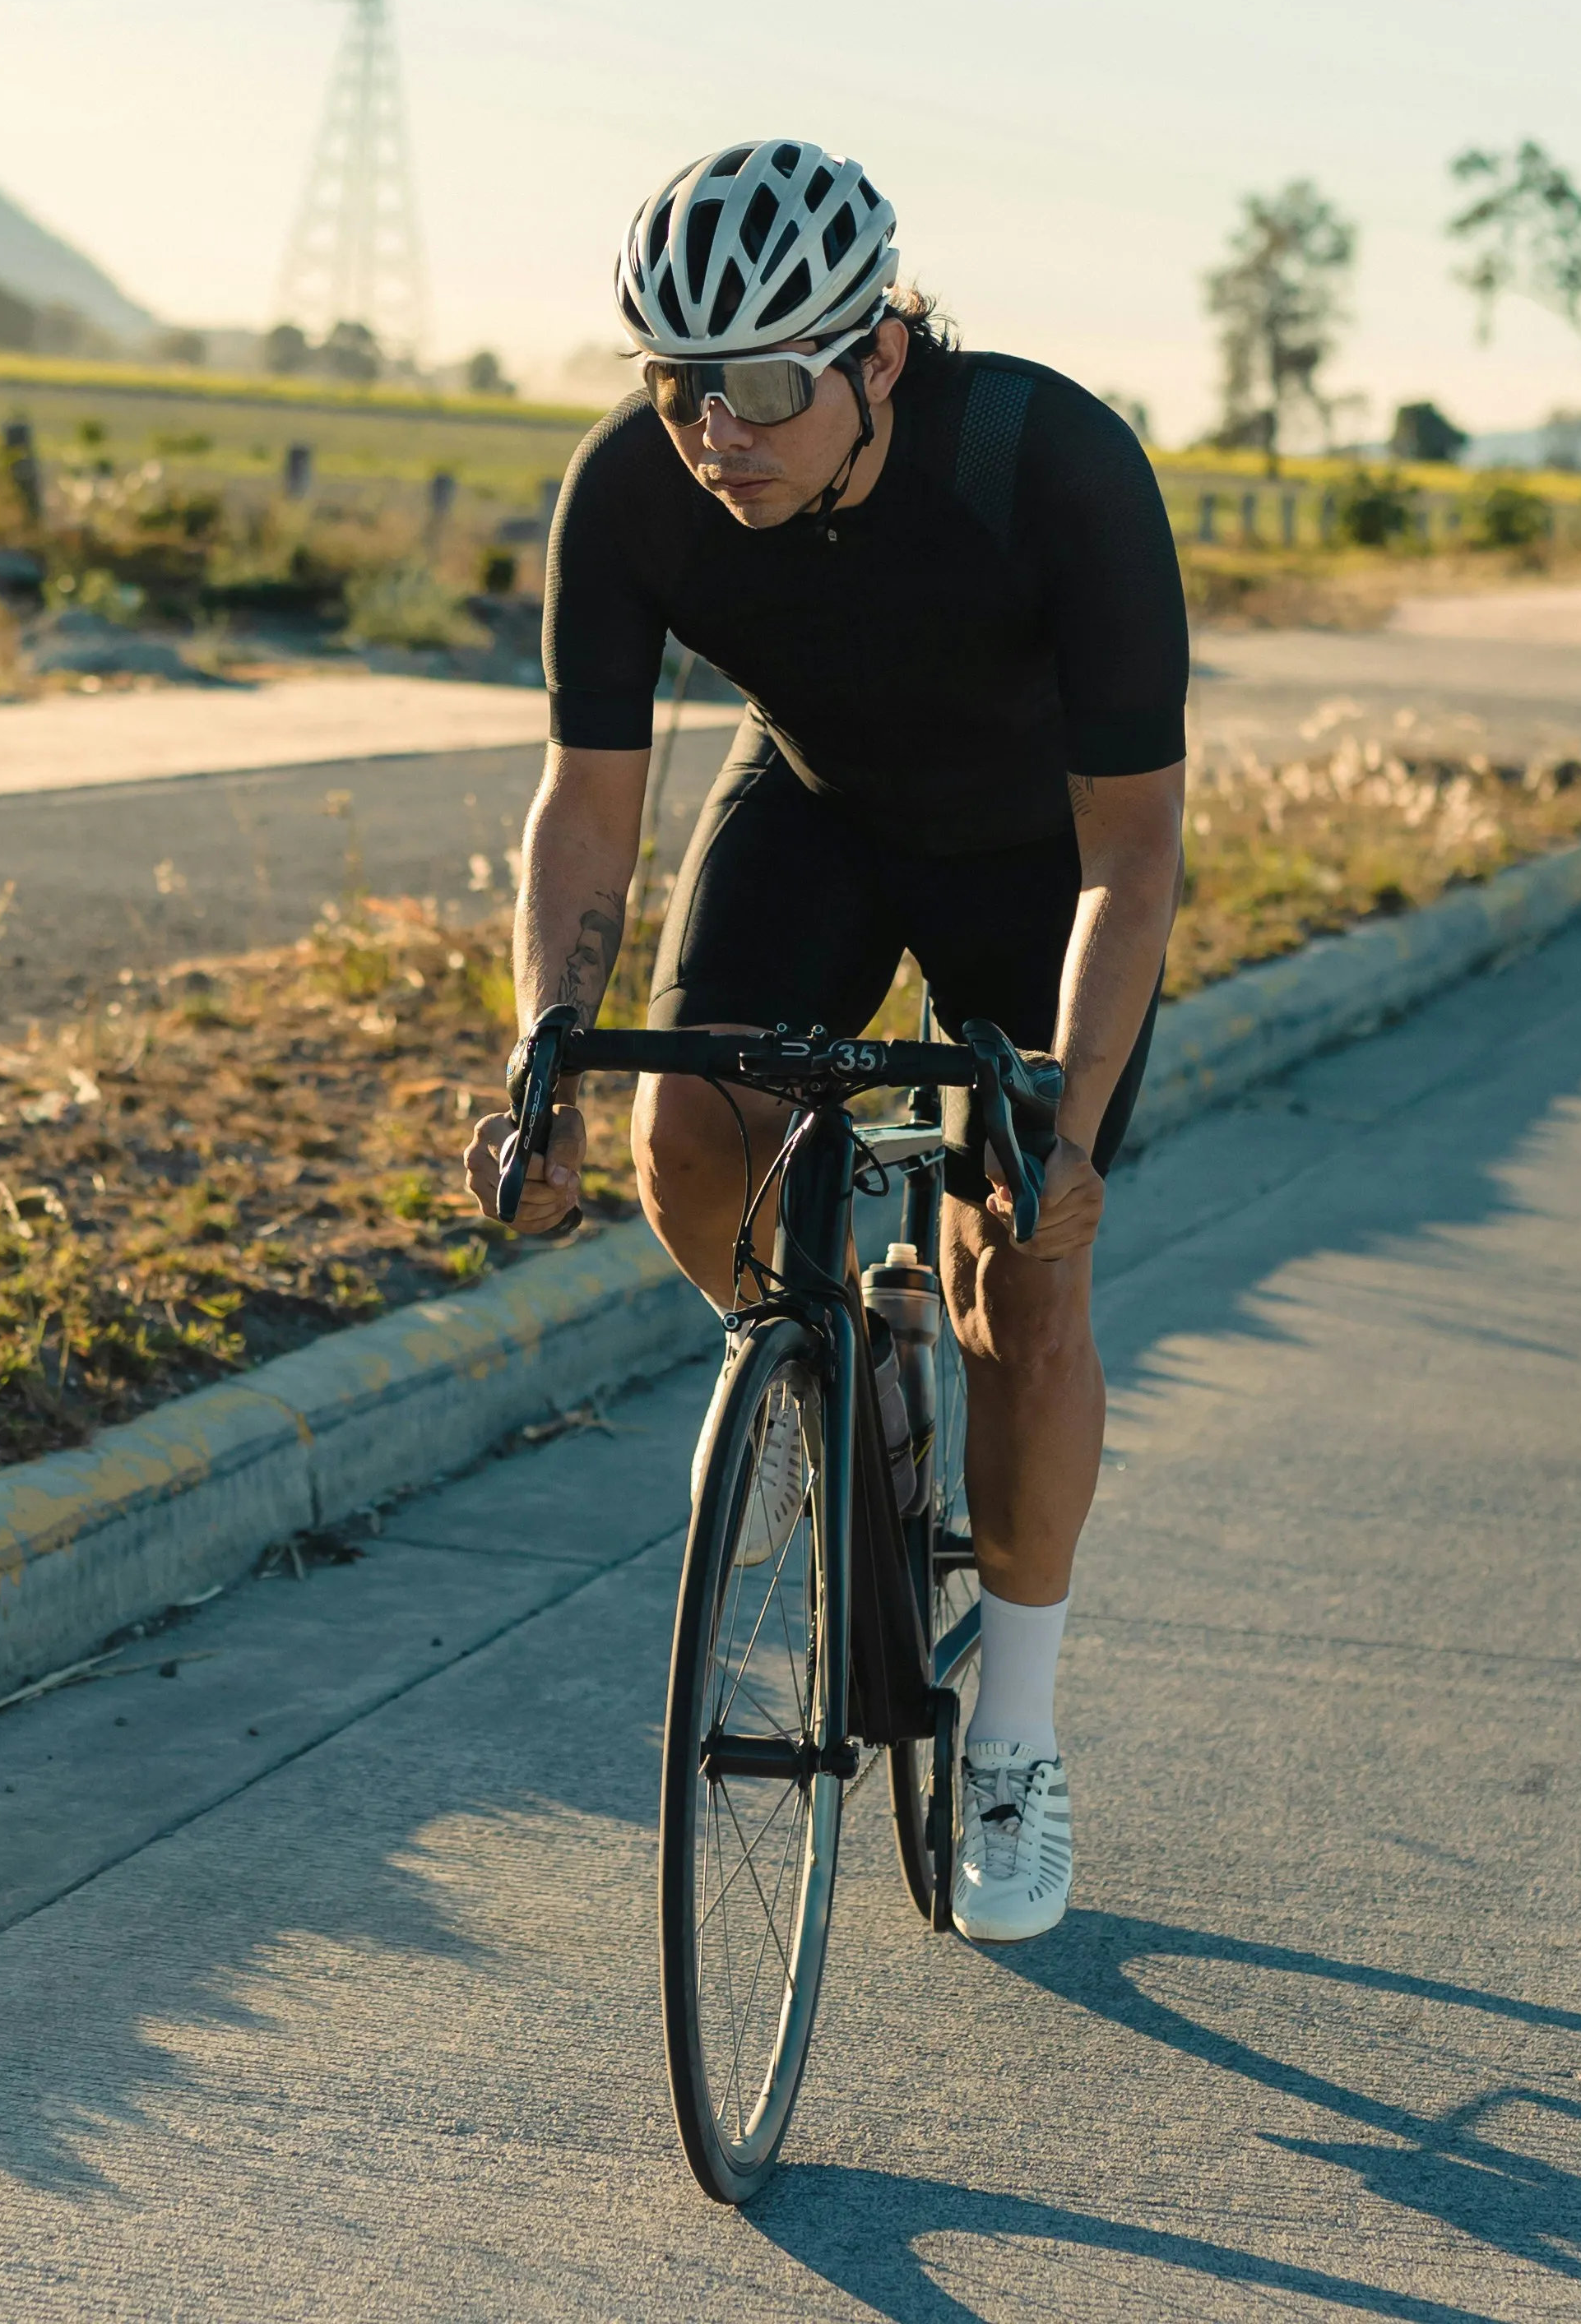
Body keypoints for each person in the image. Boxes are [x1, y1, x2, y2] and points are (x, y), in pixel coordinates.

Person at [462, 137, 1188, 1946]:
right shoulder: (632, 488)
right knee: (682, 1140)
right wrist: (544, 1054)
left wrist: (1067, 1124)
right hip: (818, 811)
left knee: (1022, 1281)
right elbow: (588, 800)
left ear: (880, 354)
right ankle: (831, 1367)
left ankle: (1012, 1734)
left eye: (769, 388)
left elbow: (1134, 848)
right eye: (681, 385)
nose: (721, 434)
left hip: (1039, 861)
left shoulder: (1049, 461)